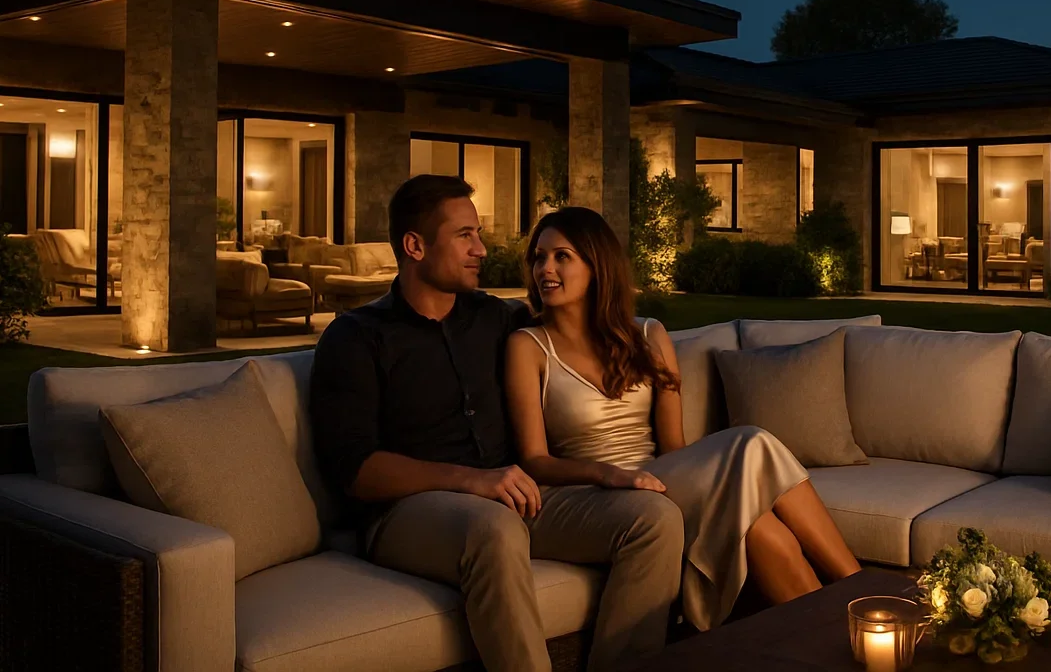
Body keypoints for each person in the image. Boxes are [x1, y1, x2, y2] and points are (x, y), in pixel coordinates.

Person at [309, 176, 683, 672]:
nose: (481, 249)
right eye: (465, 235)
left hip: (521, 498)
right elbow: (357, 471)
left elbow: (571, 338)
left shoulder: (496, 320)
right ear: (415, 245)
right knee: (493, 526)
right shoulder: (356, 338)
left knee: (654, 520)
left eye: (478, 234)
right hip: (409, 515)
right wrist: (474, 481)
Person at [504, 206, 861, 633]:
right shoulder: (528, 346)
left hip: (660, 477)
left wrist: (706, 486)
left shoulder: (648, 335)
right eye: (539, 257)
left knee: (758, 521)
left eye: (562, 256)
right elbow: (534, 460)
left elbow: (674, 446)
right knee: (754, 452)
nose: (546, 269)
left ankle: (844, 633)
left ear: (597, 265)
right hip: (592, 495)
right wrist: (609, 475)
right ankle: (861, 593)